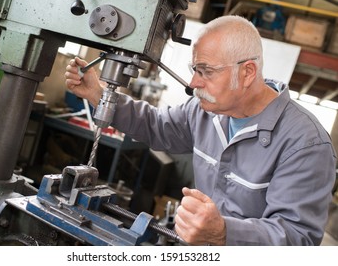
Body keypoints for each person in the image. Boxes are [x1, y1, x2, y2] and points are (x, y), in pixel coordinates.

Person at [65, 15, 336, 245]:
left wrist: (224, 232)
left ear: (247, 72)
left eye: (205, 71)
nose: (194, 83)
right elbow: (157, 126)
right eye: (194, 69)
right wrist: (99, 95)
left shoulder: (305, 143)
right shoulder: (205, 111)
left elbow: (297, 237)